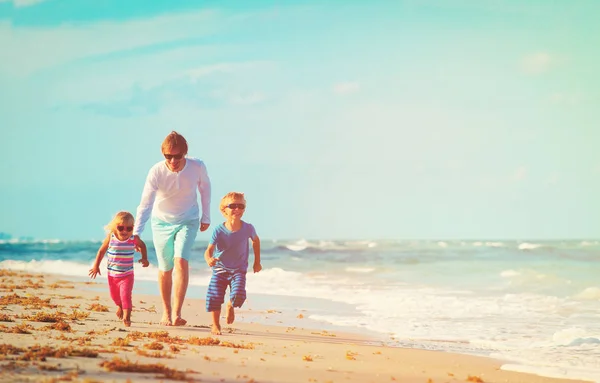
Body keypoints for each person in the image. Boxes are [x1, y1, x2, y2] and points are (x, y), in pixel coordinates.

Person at [133, 131, 211, 326]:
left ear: (185, 153)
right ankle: (166, 313)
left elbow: (205, 188)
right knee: (165, 268)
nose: (173, 160)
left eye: (177, 156)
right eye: (168, 156)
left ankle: (176, 313)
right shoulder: (156, 171)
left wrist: (206, 216)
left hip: (188, 219)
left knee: (181, 261)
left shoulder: (197, 166)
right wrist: (136, 233)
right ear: (163, 154)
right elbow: (145, 203)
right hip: (161, 222)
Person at [204, 192, 261, 335]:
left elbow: (256, 241)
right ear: (224, 210)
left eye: (240, 206)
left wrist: (257, 262)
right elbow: (208, 250)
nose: (237, 209)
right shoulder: (219, 230)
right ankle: (215, 325)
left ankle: (230, 305)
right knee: (214, 296)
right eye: (233, 206)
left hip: (239, 270)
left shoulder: (248, 228)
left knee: (239, 294)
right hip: (220, 269)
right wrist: (209, 259)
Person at [89, 211, 149, 327]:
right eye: (121, 228)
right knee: (115, 297)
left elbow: (142, 245)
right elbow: (101, 251)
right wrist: (96, 266)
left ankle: (127, 317)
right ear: (115, 227)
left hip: (127, 275)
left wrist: (144, 258)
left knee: (126, 295)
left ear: (133, 228)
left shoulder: (133, 239)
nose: (125, 231)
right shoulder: (110, 237)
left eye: (129, 228)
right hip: (112, 275)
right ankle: (120, 306)